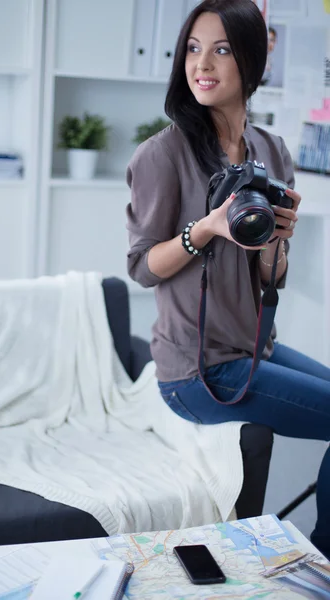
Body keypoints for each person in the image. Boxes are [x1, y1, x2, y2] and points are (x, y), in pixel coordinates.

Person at [125, 0, 330, 560]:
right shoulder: (162, 155)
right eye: (193, 48)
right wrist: (206, 229)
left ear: (252, 61)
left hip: (256, 346)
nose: (202, 64)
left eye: (220, 49)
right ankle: (319, 565)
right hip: (197, 371)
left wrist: (276, 239)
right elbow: (142, 266)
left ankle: (314, 561)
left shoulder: (270, 151)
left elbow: (272, 277)